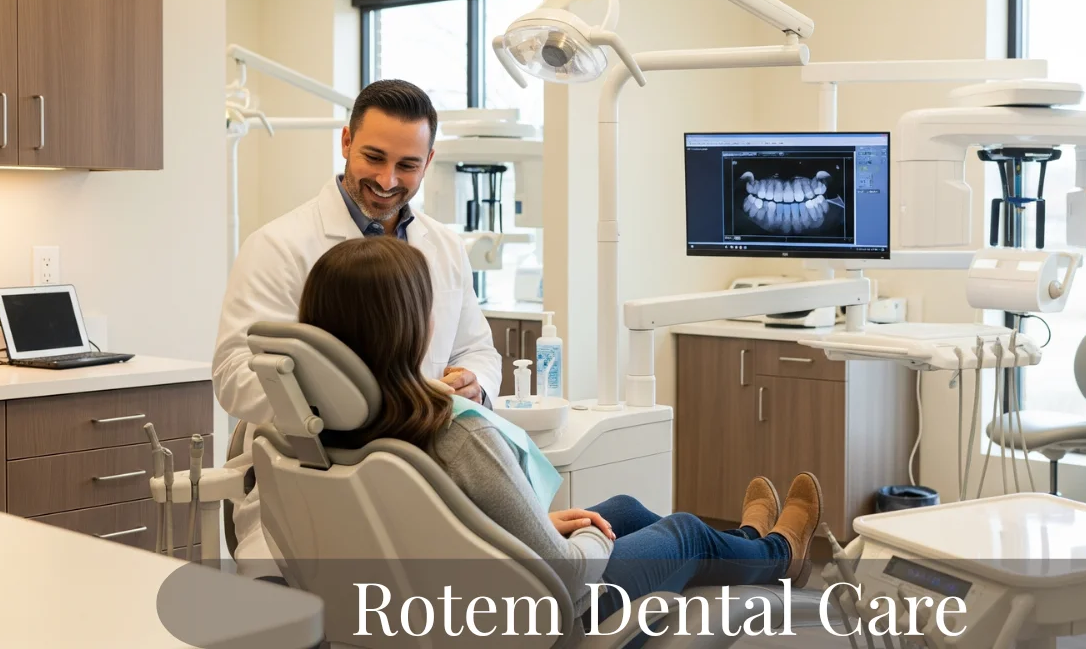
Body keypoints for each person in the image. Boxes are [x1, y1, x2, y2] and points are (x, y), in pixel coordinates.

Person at [299, 237, 825, 627]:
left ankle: (746, 542)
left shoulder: (329, 433)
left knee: (619, 507)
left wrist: (550, 525)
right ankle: (781, 553)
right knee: (682, 530)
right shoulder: (455, 434)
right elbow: (571, 576)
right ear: (408, 324)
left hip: (449, 599)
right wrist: (587, 536)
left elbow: (431, 530)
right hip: (539, 615)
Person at [213, 79, 502, 577]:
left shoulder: (445, 247)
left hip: (428, 482)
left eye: (407, 165)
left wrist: (474, 384)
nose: (388, 179)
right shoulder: (280, 247)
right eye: (374, 157)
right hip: (316, 485)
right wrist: (363, 406)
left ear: (428, 162)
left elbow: (477, 350)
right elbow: (235, 375)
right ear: (346, 142)